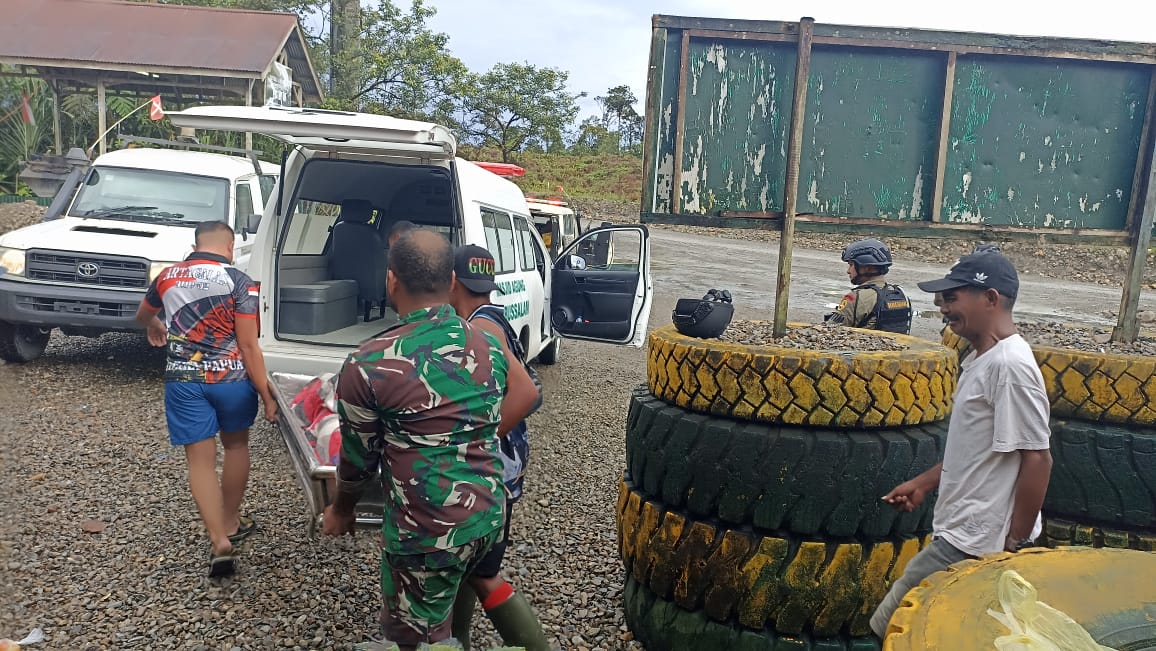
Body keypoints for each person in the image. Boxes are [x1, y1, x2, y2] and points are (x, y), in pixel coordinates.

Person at [321, 229, 538, 650]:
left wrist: (340, 510)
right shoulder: (486, 343)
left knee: (420, 637)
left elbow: (358, 461)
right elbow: (525, 392)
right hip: (489, 516)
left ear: (391, 281)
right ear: (452, 282)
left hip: (426, 534)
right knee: (456, 599)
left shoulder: (369, 363)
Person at [869, 251, 1053, 639]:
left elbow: (1037, 458)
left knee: (891, 627)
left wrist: (1014, 542)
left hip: (977, 542)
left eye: (953, 299)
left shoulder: (1010, 367)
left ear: (990, 298)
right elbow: (985, 450)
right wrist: (925, 482)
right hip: (965, 532)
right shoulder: (982, 359)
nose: (943, 310)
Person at [134, 220, 276, 578]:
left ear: (196, 243)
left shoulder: (167, 277)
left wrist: (155, 324)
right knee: (236, 447)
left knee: (199, 462)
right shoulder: (241, 282)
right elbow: (248, 345)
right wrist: (267, 394)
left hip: (184, 380)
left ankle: (218, 540)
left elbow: (142, 314)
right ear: (229, 247)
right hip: (232, 381)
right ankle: (230, 522)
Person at [447, 245, 549, 651]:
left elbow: (527, 394)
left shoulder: (481, 330)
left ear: (452, 281)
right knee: (469, 564)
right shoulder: (492, 317)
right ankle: (457, 640)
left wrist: (479, 439)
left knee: (484, 571)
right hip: (504, 464)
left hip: (496, 469)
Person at [825, 238, 912, 334]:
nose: (848, 271)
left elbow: (829, 331)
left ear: (866, 267)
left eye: (851, 265)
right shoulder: (901, 294)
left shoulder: (855, 297)